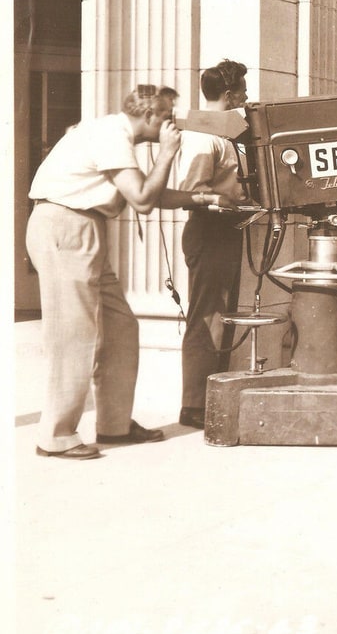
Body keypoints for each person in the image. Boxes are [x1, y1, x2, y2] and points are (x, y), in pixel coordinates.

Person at [27, 84, 183, 459]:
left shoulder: (110, 134)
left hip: (83, 227)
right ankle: (56, 435)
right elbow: (144, 200)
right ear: (148, 116)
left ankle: (113, 424)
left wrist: (203, 198)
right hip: (68, 225)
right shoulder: (112, 135)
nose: (170, 124)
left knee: (120, 326)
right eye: (165, 116)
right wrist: (167, 153)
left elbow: (143, 191)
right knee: (73, 334)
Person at [168, 59, 250, 430]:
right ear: (230, 95)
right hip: (210, 230)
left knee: (221, 316)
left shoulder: (224, 134)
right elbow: (191, 193)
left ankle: (211, 399)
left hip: (225, 230)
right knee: (207, 316)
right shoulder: (204, 137)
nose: (247, 97)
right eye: (243, 91)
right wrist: (227, 201)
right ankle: (194, 405)